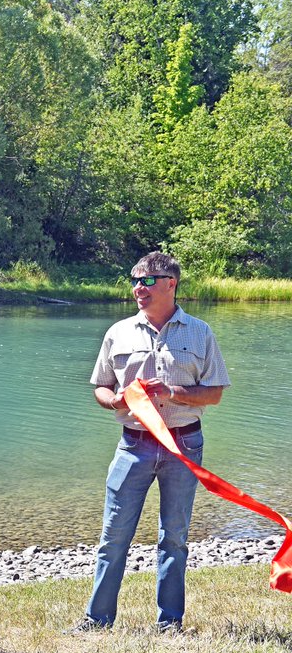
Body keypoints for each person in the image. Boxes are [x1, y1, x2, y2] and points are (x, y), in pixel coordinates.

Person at [77, 252, 229, 632]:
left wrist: (174, 392)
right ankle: (97, 621)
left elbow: (214, 394)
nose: (137, 288)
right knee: (113, 536)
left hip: (184, 446)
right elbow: (101, 385)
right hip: (133, 445)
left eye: (146, 280)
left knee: (174, 538)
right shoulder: (118, 332)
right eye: (134, 280)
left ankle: (170, 624)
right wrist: (112, 400)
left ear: (170, 283)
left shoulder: (200, 332)